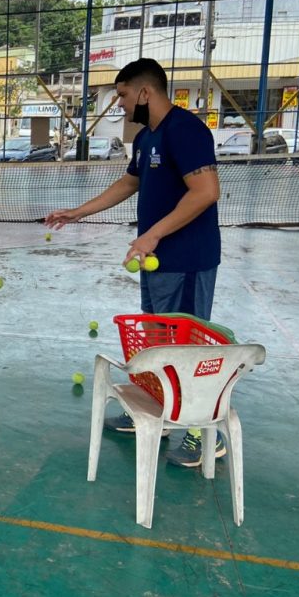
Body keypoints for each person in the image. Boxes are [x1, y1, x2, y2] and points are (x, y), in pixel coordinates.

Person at [45, 58, 222, 468]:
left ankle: (202, 432)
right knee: (157, 340)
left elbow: (206, 191)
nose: (120, 104)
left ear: (145, 92)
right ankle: (158, 409)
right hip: (155, 260)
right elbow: (129, 182)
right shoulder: (145, 138)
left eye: (123, 95)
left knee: (187, 345)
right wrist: (77, 212)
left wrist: (152, 234)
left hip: (187, 259)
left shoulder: (186, 129)